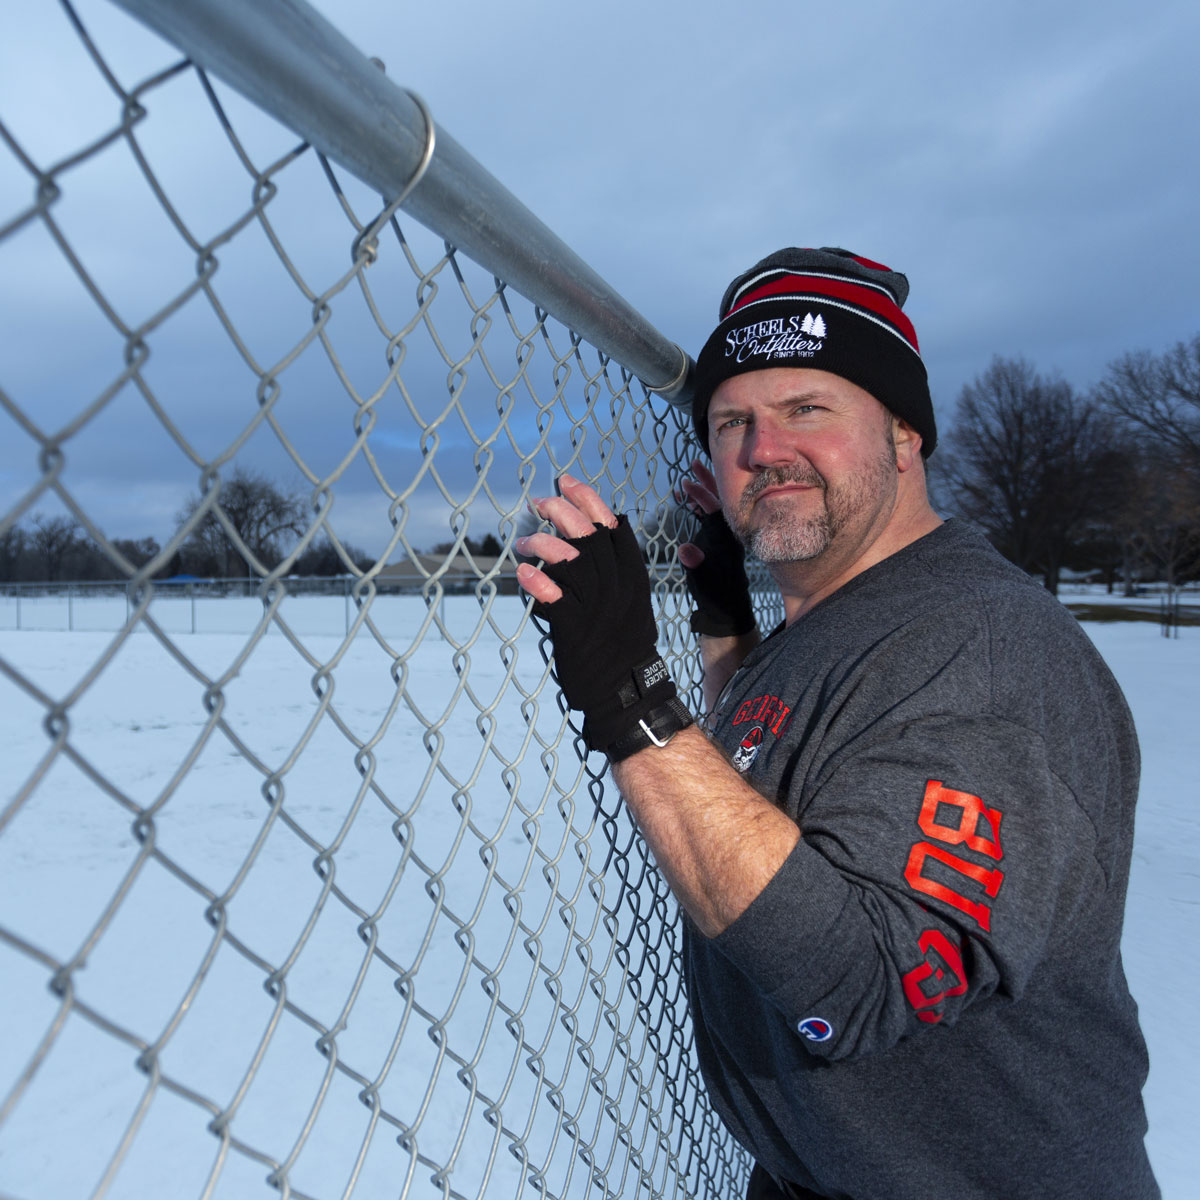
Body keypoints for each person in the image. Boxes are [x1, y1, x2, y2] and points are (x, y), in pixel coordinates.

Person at [514, 247, 1158, 1199]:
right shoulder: (842, 616)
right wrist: (726, 626)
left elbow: (861, 983)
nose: (762, 449)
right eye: (733, 421)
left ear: (904, 434)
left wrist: (628, 699)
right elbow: (781, 783)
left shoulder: (977, 649)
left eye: (806, 408)